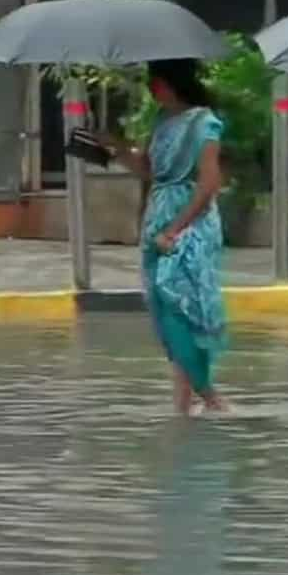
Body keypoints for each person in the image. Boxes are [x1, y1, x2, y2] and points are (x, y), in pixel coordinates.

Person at [99, 58, 228, 415]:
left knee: (181, 307)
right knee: (162, 310)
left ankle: (211, 397)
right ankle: (183, 405)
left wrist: (176, 228)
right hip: (157, 220)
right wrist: (117, 148)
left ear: (168, 83)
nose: (151, 89)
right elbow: (150, 170)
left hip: (190, 224)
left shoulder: (205, 122)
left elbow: (208, 183)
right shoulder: (161, 122)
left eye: (154, 81)